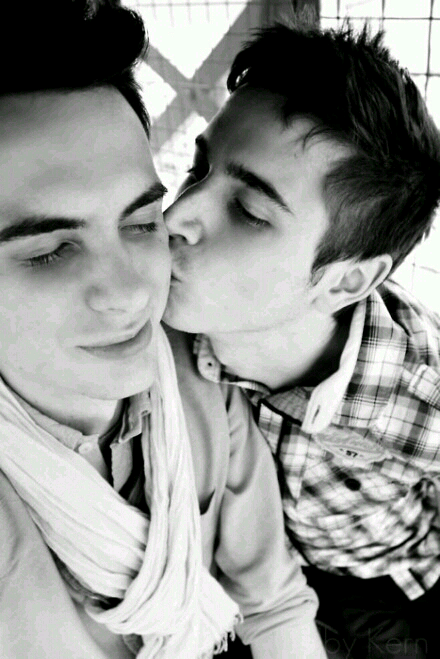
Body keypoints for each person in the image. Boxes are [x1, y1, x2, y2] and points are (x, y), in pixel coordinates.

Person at [0, 2, 326, 658]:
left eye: (141, 223)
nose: (130, 293)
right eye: (51, 251)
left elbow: (273, 601)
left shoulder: (198, 374)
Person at [163, 18, 440, 659]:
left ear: (346, 282)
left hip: (390, 586)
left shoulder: (418, 386)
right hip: (265, 580)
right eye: (198, 169)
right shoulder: (162, 328)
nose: (176, 215)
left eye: (249, 212)